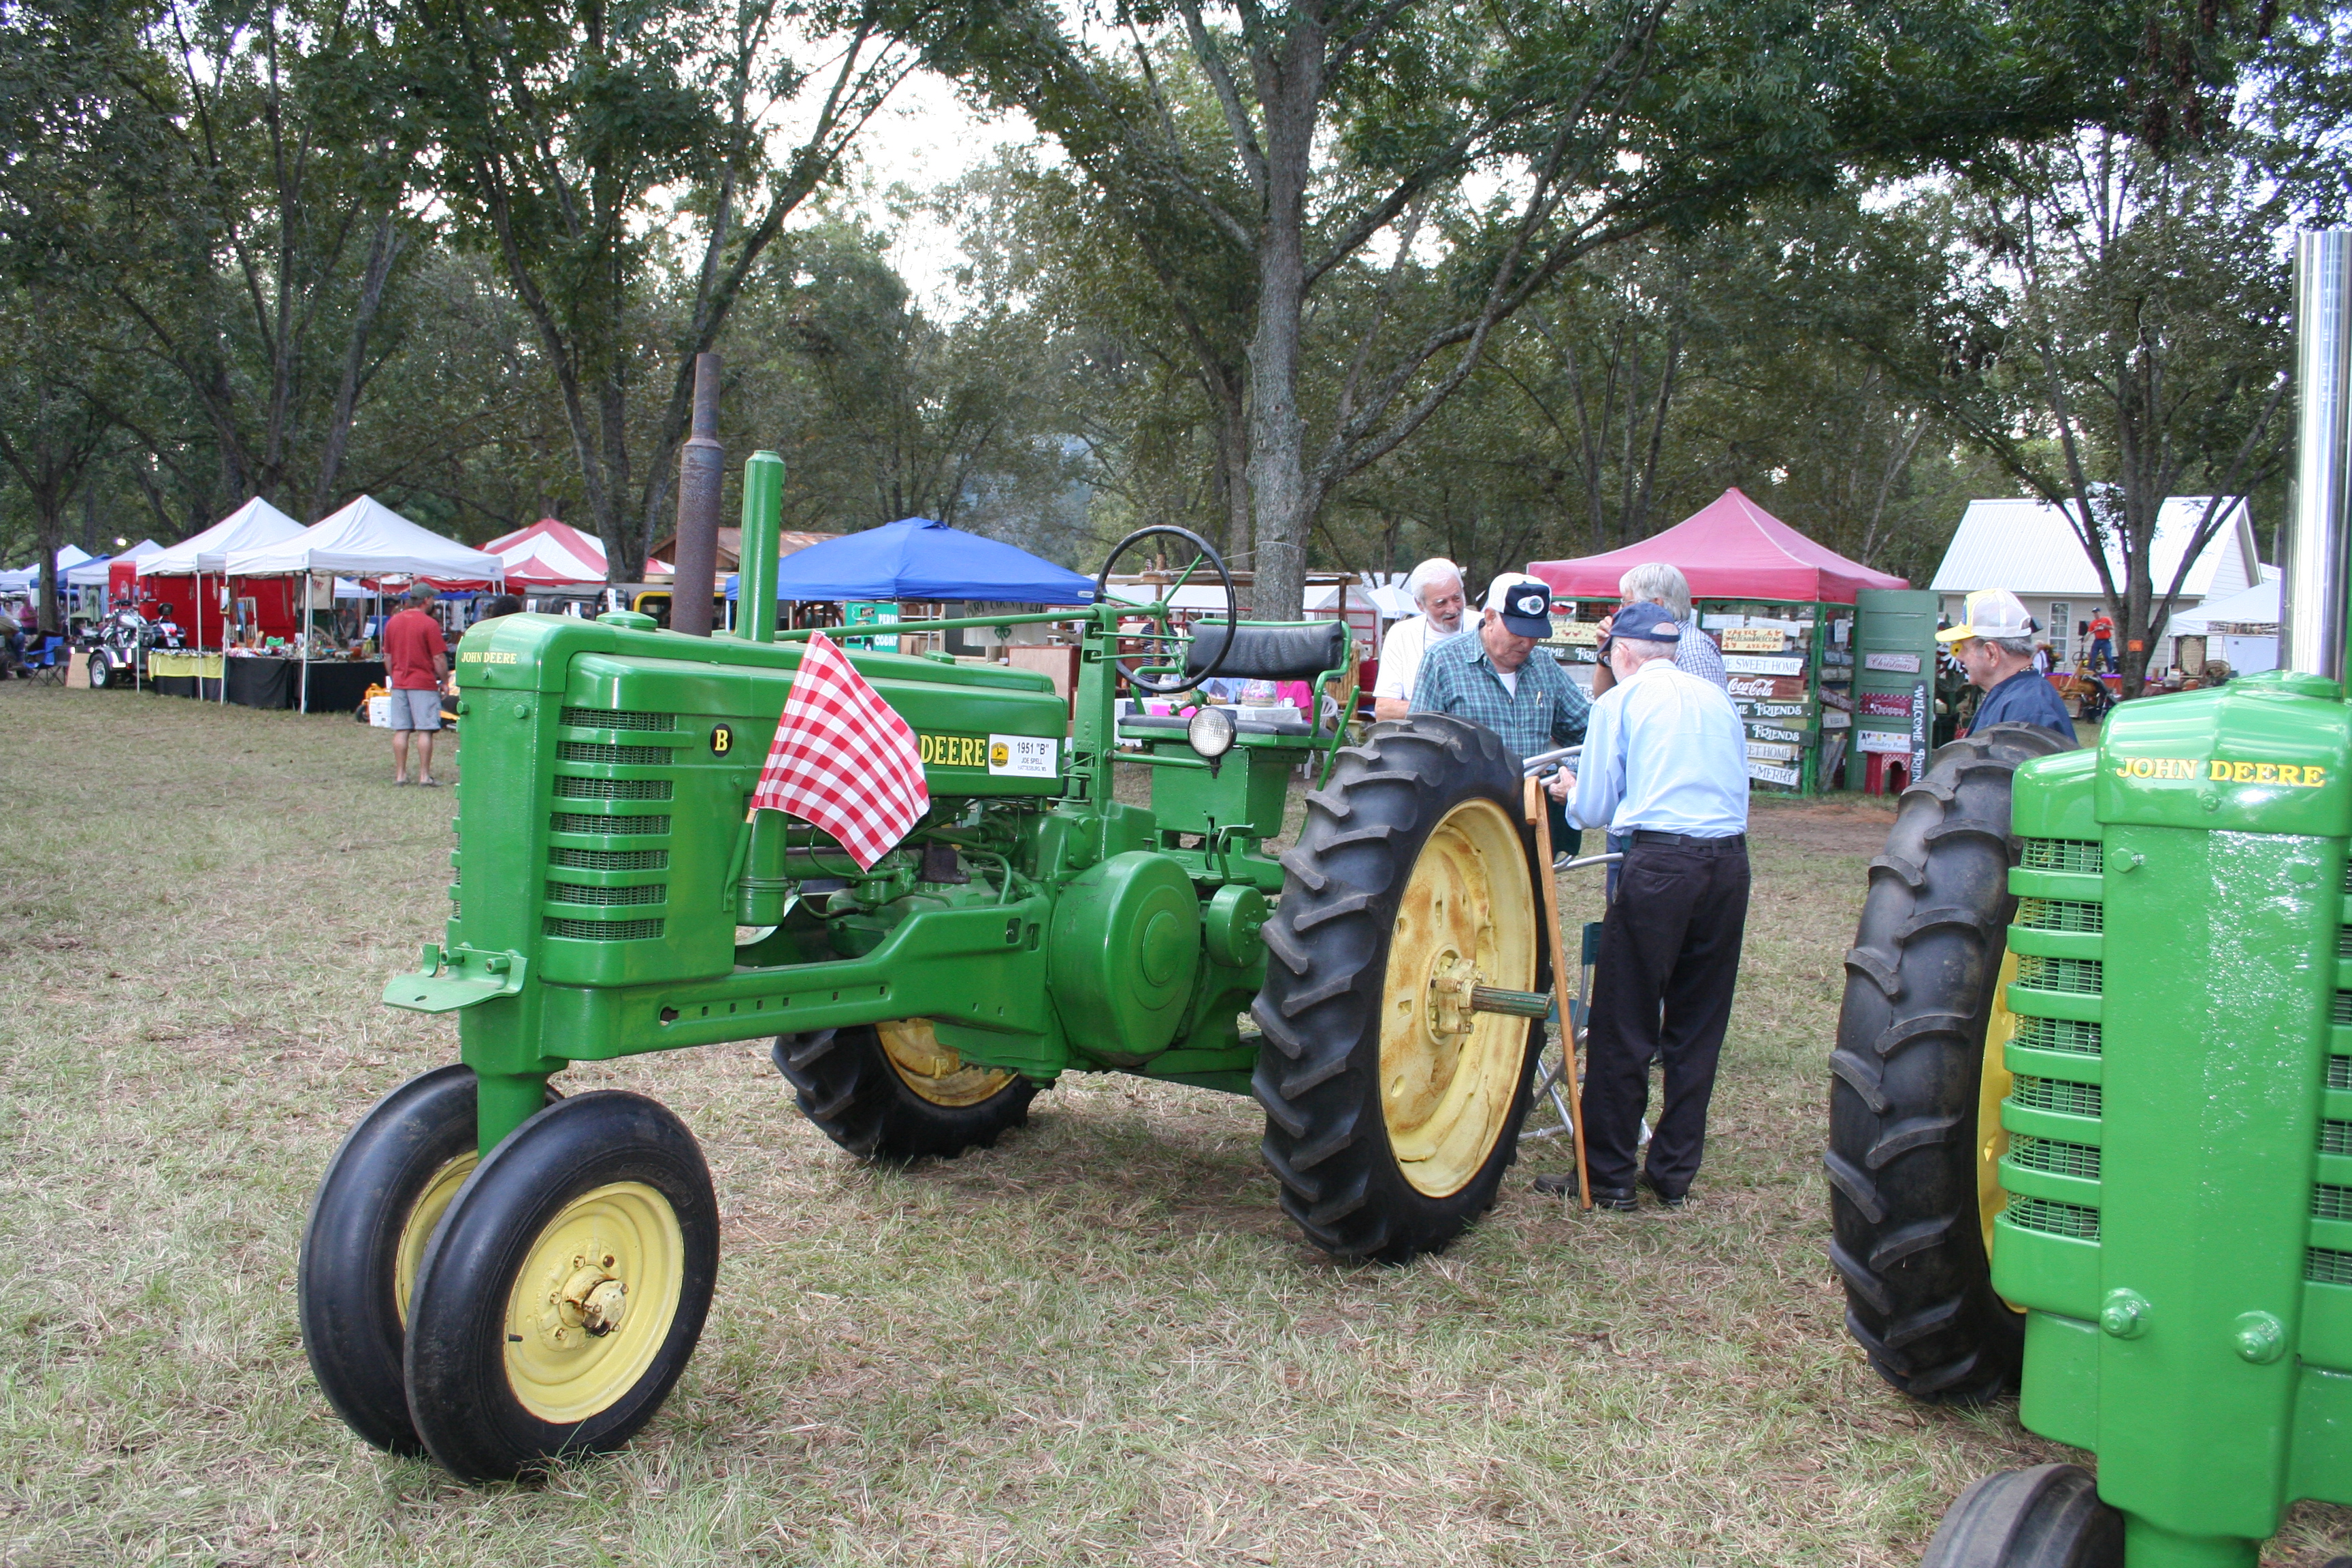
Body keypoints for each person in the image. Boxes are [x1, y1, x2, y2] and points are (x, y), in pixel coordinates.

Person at [1555, 601, 1750, 1212]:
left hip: (1663, 863)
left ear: (1623, 654)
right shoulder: (1717, 700)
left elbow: (1591, 809)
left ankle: (1608, 1175)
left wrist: (1568, 789)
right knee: (1697, 1023)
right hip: (1728, 863)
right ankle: (1672, 1171)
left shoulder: (1621, 701)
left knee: (1624, 1019)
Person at [1411, 572, 1589, 857]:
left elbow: (1589, 732)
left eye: (1535, 635)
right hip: (1468, 817)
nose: (1527, 644)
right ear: (1491, 617)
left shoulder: (1545, 667)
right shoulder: (1443, 661)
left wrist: (1572, 773)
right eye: (1518, 633)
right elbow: (1418, 746)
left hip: (1532, 814)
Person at [1940, 589, 2077, 744]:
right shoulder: (2017, 696)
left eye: (1963, 648)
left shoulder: (2029, 711)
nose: (1959, 657)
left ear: (1991, 653)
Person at [1591, 562, 1728, 695]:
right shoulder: (1649, 641)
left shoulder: (1693, 648)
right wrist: (1607, 653)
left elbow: (1708, 711)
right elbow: (1607, 703)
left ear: (1656, 604)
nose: (1621, 610)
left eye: (1627, 602)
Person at [1371, 558, 1469, 720]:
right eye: (1441, 603)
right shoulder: (1401, 634)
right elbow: (1384, 710)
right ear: (1420, 605)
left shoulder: (1485, 627)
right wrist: (1449, 711)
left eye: (1457, 598)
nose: (1452, 609)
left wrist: (1423, 708)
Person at [384, 584, 450, 785]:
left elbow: (387, 655)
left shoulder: (393, 622)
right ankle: (424, 776)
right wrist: (445, 681)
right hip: (422, 682)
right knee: (425, 729)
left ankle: (401, 775)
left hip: (400, 681)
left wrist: (394, 676)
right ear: (426, 600)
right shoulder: (429, 624)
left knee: (402, 730)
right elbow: (438, 657)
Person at [2087, 608, 2115, 673]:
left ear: (2100, 613)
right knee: (2093, 655)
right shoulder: (2093, 623)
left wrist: (2104, 626)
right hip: (2097, 640)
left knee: (2107, 656)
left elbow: (2112, 627)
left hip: (2106, 640)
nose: (2095, 614)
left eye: (2096, 613)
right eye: (2094, 613)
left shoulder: (2106, 619)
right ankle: (2091, 669)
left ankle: (2111, 670)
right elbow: (2090, 632)